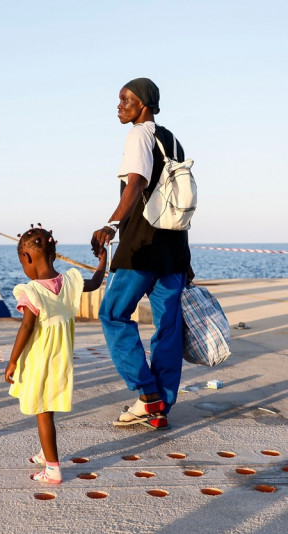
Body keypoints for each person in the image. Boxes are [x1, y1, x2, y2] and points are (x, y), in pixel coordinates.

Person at [91, 78, 191, 430]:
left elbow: (137, 183)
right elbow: (178, 201)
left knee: (113, 313)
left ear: (143, 105)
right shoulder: (173, 140)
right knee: (167, 327)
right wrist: (186, 261)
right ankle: (161, 404)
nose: (119, 106)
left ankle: (148, 395)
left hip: (142, 245)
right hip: (174, 248)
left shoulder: (139, 135)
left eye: (125, 100)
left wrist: (111, 225)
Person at [5, 226, 106, 484]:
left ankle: (52, 469)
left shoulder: (32, 291)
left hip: (41, 361)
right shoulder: (70, 282)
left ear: (27, 258)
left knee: (43, 412)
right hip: (61, 359)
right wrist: (103, 260)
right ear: (54, 252)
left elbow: (26, 327)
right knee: (48, 407)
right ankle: (44, 452)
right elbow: (94, 283)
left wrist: (13, 360)